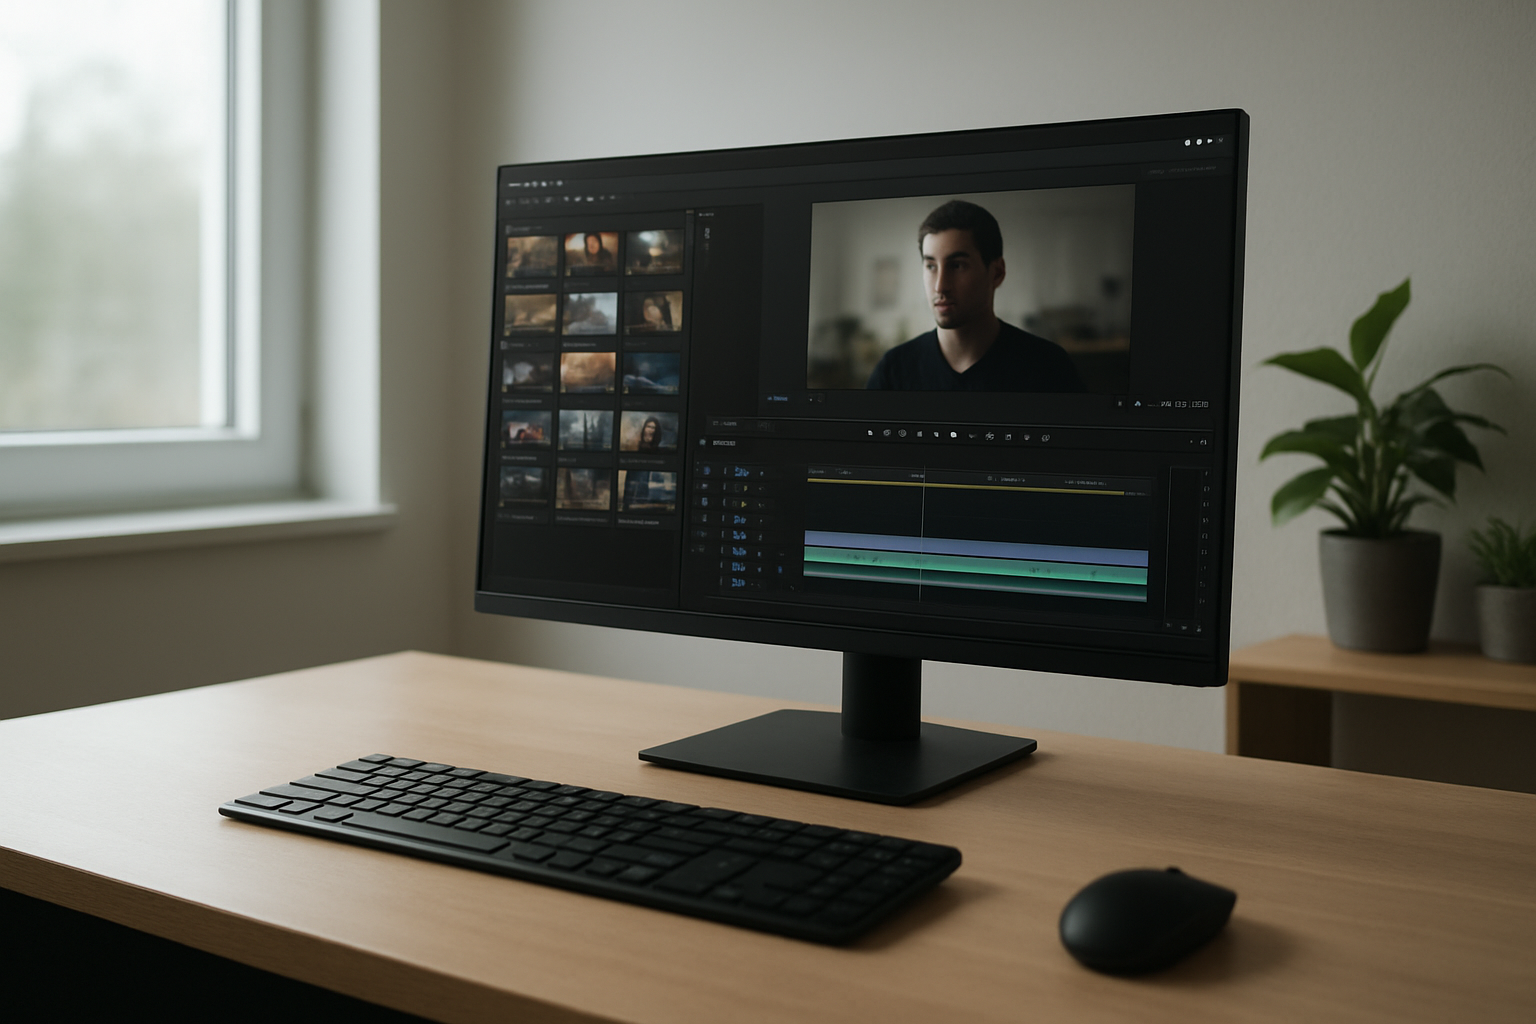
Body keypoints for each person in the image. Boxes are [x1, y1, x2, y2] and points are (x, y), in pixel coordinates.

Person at [865, 200, 1085, 392]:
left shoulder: (1048, 367)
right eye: (931, 266)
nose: (940, 286)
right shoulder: (894, 370)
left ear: (997, 273)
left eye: (957, 265)